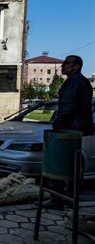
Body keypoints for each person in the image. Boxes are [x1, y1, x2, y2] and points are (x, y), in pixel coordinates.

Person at [42, 55, 94, 209]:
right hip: (76, 129)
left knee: (58, 165)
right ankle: (70, 198)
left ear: (76, 66)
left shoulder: (75, 81)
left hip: (69, 130)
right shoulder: (81, 81)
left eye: (67, 63)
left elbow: (68, 106)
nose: (63, 66)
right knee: (73, 167)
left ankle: (57, 199)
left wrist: (56, 124)